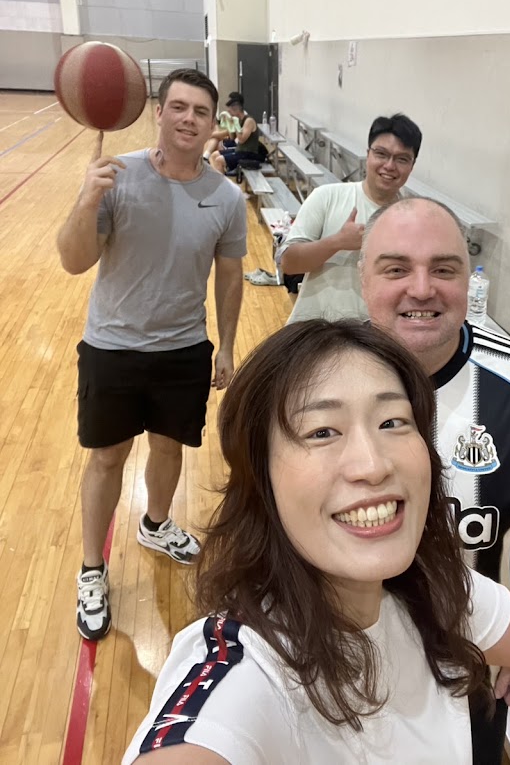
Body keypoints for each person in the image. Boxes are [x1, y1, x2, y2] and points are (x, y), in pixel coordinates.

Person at [123, 320, 510, 765]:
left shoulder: (429, 588)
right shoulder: (244, 671)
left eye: (393, 421)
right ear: (260, 478)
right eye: (322, 432)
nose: (373, 464)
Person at [359, 197, 510, 763]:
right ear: (363, 279)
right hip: (347, 674)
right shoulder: (317, 385)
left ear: (468, 280)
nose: (422, 288)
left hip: (477, 670)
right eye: (397, 268)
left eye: (444, 269)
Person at [57, 68, 248, 642]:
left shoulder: (225, 197)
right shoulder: (117, 176)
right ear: (159, 113)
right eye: (180, 107)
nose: (190, 119)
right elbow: (73, 260)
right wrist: (88, 199)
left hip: (184, 349)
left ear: (215, 125)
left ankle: (156, 523)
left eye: (202, 112)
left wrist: (228, 348)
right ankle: (93, 568)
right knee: (108, 460)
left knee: (170, 449)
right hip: (112, 347)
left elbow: (231, 274)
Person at [278, 113, 422, 323]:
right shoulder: (327, 196)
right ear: (368, 155)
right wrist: (337, 242)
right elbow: (289, 264)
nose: (390, 166)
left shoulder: (413, 221)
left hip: (373, 341)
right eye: (381, 154)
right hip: (314, 333)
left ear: (412, 166)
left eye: (402, 159)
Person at [205, 92, 264, 178]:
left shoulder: (249, 121)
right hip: (239, 150)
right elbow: (232, 138)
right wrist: (231, 125)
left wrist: (235, 124)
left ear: (236, 109)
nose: (228, 112)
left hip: (248, 153)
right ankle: (221, 181)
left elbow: (241, 139)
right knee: (214, 155)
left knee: (219, 160)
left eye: (230, 110)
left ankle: (222, 186)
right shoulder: (238, 120)